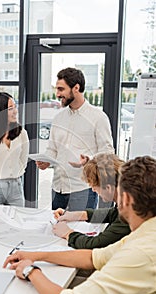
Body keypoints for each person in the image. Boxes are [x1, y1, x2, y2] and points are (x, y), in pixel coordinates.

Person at [3, 155, 156, 294]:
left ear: (124, 198)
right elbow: (92, 257)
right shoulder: (145, 235)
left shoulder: (140, 255)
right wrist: (36, 255)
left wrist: (30, 271)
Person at [36, 67, 114, 211]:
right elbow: (52, 149)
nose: (57, 94)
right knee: (56, 230)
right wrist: (46, 161)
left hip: (83, 189)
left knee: (80, 231)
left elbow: (108, 152)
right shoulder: (58, 117)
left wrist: (89, 159)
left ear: (76, 88)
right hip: (58, 189)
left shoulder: (98, 117)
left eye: (61, 89)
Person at [52, 153, 131, 249]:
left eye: (94, 186)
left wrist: (67, 233)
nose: (93, 190)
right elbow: (112, 213)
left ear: (108, 188)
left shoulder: (129, 211)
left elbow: (97, 244)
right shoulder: (125, 197)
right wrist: (76, 215)